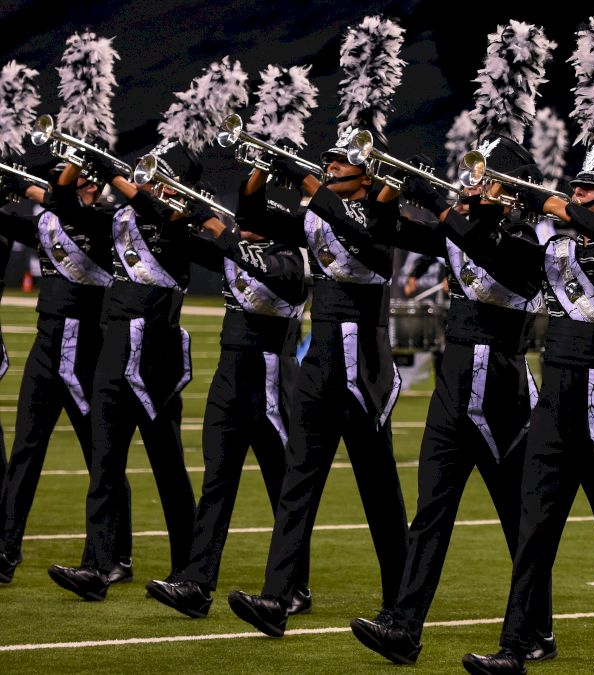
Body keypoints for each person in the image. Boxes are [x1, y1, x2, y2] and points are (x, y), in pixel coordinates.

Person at [460, 137, 594, 675]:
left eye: (591, 189)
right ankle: (514, 648)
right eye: (576, 186)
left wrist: (554, 205)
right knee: (533, 529)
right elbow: (490, 255)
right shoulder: (559, 249)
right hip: (553, 401)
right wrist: (485, 206)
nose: (577, 192)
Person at [348, 138, 554, 665]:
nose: (475, 184)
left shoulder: (530, 236)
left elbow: (490, 253)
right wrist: (394, 187)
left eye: (488, 178)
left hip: (501, 384)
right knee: (431, 509)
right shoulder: (465, 227)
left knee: (517, 516)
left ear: (511, 189)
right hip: (455, 378)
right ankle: (404, 626)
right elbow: (383, 229)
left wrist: (439, 202)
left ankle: (536, 630)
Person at [225, 139, 407, 638]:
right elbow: (252, 213)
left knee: (378, 489)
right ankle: (277, 598)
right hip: (320, 355)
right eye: (329, 159)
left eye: (341, 161)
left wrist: (309, 184)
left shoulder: (380, 215)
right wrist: (264, 170)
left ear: (368, 174)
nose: (329, 165)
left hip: (362, 360)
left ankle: (401, 602)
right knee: (298, 477)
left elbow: (368, 244)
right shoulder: (320, 212)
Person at [145, 165, 312, 618]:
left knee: (284, 485)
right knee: (216, 481)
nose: (243, 223)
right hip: (229, 373)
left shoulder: (293, 261)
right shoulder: (236, 249)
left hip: (270, 377)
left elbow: (252, 261)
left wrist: (218, 226)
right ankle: (197, 584)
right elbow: (182, 242)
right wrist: (177, 208)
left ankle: (295, 585)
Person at [48, 148, 199, 601]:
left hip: (156, 354)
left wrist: (116, 174)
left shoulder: (181, 218)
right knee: (105, 461)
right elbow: (61, 203)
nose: (148, 180)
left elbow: (157, 210)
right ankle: (98, 565)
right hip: (113, 346)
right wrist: (80, 160)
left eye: (158, 175)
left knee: (167, 464)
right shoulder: (119, 219)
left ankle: (189, 570)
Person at [0, 168, 117, 584]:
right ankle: (4, 550)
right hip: (46, 340)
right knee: (25, 451)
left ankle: (108, 556)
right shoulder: (50, 222)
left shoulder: (106, 221)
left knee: (100, 454)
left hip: (86, 346)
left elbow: (64, 205)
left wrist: (32, 187)